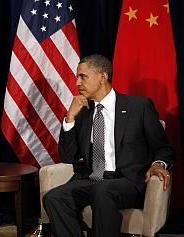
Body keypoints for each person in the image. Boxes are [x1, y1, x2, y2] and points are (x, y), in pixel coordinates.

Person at [43, 54, 174, 237]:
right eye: (77, 77)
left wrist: (159, 163)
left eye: (83, 76)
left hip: (126, 180)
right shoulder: (83, 112)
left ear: (103, 77)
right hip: (92, 178)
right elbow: (67, 157)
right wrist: (70, 118)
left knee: (102, 190)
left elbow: (163, 148)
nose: (77, 83)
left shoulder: (139, 107)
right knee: (53, 198)